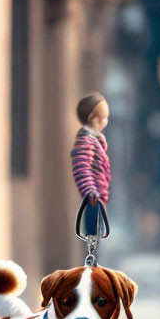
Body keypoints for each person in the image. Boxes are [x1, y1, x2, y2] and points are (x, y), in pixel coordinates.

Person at [71, 92, 111, 237]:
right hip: (93, 199)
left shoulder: (96, 140)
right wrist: (90, 190)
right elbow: (81, 168)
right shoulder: (86, 140)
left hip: (99, 198)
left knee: (96, 238)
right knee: (92, 238)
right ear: (92, 118)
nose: (106, 121)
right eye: (104, 117)